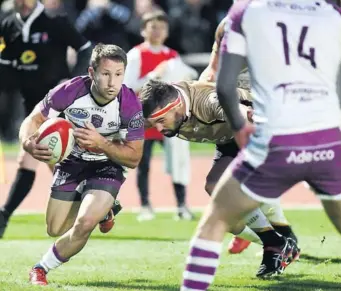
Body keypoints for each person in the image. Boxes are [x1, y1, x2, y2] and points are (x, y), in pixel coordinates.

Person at [179, 0, 341, 289]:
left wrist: (239, 127)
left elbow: (223, 86)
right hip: (326, 134)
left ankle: (275, 241)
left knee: (214, 221)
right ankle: (278, 240)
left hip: (270, 129)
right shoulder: (329, 14)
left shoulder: (244, 13)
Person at [140, 78, 299, 277]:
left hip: (256, 128)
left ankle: (278, 242)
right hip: (229, 138)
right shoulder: (164, 107)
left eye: (161, 121)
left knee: (244, 186)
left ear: (177, 105)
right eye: (154, 123)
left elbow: (233, 109)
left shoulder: (208, 102)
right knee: (215, 189)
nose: (158, 129)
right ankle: (278, 242)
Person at [22, 43, 144, 285]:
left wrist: (102, 144)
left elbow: (134, 157)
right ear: (92, 73)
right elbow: (34, 119)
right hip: (71, 162)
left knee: (85, 222)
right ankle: (103, 208)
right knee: (55, 229)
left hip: (107, 165)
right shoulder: (69, 91)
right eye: (106, 74)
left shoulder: (130, 104)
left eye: (119, 74)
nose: (112, 82)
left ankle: (40, 268)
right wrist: (27, 142)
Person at [198, 15, 298, 255]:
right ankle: (276, 239)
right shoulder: (226, 25)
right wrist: (200, 88)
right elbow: (212, 69)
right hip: (232, 114)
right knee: (216, 184)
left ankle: (278, 242)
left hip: (264, 115)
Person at [0, 0, 92, 238]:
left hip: (57, 106)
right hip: (30, 105)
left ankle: (3, 215)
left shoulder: (56, 22)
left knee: (30, 158)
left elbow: (85, 48)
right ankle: (97, 204)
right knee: (57, 163)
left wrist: (71, 82)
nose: (21, 2)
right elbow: (5, 62)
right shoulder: (8, 25)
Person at [124, 10, 195, 221]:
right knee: (143, 163)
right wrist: (154, 76)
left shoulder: (173, 56)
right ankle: (145, 205)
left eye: (161, 27)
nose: (157, 32)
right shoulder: (136, 54)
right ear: (143, 30)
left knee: (178, 160)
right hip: (144, 119)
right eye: (153, 27)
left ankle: (182, 206)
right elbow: (129, 86)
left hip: (169, 119)